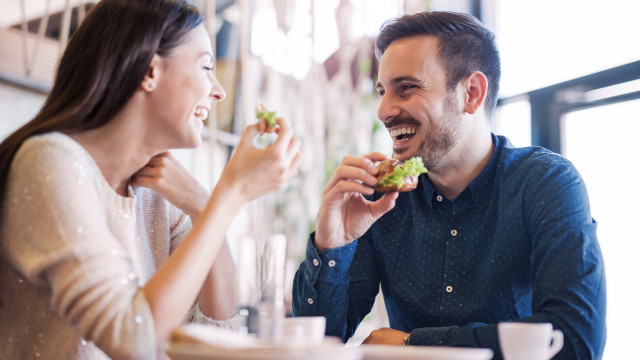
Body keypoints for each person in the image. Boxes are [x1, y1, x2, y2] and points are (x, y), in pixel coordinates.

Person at [292, 11, 605, 359]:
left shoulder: (546, 184)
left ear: (471, 93)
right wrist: (331, 244)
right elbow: (314, 344)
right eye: (382, 91)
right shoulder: (378, 200)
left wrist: (414, 344)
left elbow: (576, 340)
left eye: (406, 88)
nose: (383, 110)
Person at [0, 0, 303, 359]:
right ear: (150, 71)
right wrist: (230, 194)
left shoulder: (157, 196)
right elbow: (132, 339)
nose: (218, 90)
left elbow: (215, 333)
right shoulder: (48, 161)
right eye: (206, 66)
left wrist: (204, 205)